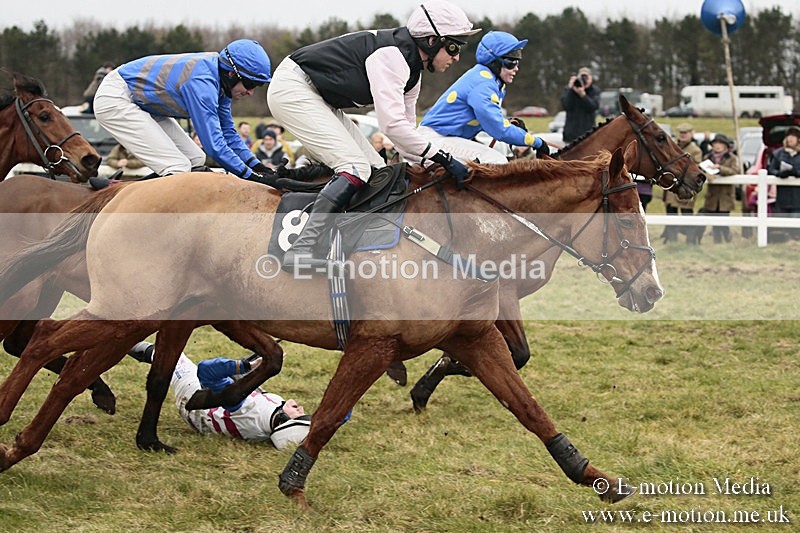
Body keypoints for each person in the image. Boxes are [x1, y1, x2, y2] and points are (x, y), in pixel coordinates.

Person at [267, 0, 480, 271]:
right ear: (430, 40)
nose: (456, 57)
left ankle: (345, 243)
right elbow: (391, 126)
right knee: (355, 168)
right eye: (453, 46)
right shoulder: (393, 57)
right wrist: (445, 157)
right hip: (293, 88)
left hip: (317, 95)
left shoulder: (412, 72)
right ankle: (302, 249)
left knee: (378, 172)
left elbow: (406, 135)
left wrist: (433, 164)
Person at [93, 39, 273, 181]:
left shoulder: (222, 84)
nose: (250, 92)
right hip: (116, 97)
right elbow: (214, 146)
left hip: (143, 102)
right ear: (232, 74)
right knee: (177, 167)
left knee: (195, 159)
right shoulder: (202, 83)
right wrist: (252, 177)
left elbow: (228, 133)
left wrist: (258, 167)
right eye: (249, 83)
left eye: (256, 85)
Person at [127, 341, 311, 450]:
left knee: (170, 354)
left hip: (194, 398)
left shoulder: (249, 409)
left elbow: (206, 370)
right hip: (212, 412)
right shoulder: (268, 425)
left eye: (297, 411)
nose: (300, 406)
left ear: (283, 419)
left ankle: (122, 342)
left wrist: (245, 366)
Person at [417, 31, 550, 164]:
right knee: (496, 161)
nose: (516, 68)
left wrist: (509, 123)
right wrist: (536, 142)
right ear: (494, 61)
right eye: (511, 62)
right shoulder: (483, 84)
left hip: (442, 139)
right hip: (433, 141)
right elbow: (499, 130)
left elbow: (489, 121)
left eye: (517, 62)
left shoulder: (492, 82)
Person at [662, 122, 703, 244]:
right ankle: (671, 240)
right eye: (681, 133)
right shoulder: (672, 146)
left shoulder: (695, 150)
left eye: (685, 133)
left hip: (686, 186)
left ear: (691, 134)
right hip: (672, 185)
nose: (683, 135)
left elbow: (696, 167)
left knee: (687, 213)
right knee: (671, 213)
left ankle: (690, 241)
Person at [702, 133, 739, 243]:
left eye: (720, 143)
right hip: (712, 195)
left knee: (723, 220)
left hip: (725, 195)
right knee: (714, 220)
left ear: (725, 146)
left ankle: (727, 239)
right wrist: (707, 174)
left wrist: (720, 168)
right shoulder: (708, 157)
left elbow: (734, 171)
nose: (717, 146)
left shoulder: (731, 158)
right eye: (715, 143)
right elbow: (701, 170)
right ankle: (717, 242)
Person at [560, 66, 601, 143]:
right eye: (582, 77)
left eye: (586, 78)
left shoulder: (595, 91)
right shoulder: (569, 90)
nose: (584, 80)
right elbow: (566, 105)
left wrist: (583, 95)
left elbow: (593, 107)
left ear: (591, 78)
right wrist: (571, 89)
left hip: (588, 136)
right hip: (571, 136)